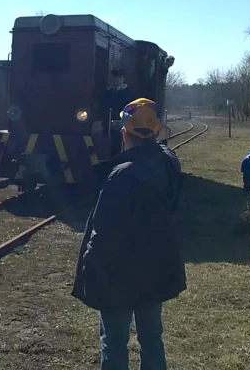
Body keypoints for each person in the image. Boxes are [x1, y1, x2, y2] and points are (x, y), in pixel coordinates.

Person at [72, 98, 185, 370]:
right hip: (155, 269)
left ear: (123, 132)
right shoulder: (166, 164)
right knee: (151, 337)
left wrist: (90, 267)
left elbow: (104, 233)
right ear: (157, 133)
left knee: (113, 341)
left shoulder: (121, 176)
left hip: (118, 275)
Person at [103, 68, 131, 157]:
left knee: (118, 143)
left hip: (121, 122)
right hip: (108, 121)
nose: (116, 79)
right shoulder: (108, 91)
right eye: (114, 77)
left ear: (123, 78)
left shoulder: (127, 91)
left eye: (118, 77)